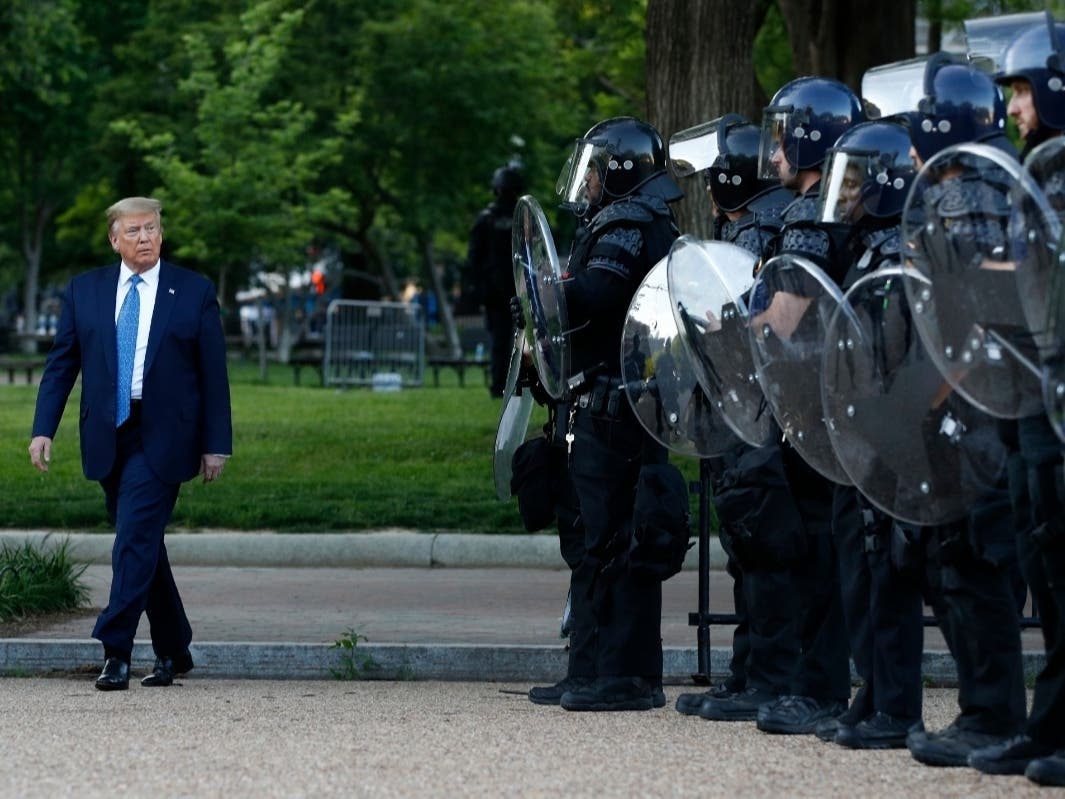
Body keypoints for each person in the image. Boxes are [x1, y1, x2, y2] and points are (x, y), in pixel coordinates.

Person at [866, 51, 1030, 768]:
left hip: (970, 405)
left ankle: (990, 717)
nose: (906, 144)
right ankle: (986, 714)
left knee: (968, 563)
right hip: (989, 402)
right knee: (964, 562)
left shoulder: (964, 189)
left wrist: (914, 408)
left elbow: (967, 312)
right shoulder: (995, 178)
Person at [28, 196, 233, 691]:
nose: (145, 238)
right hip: (107, 433)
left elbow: (213, 375)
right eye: (135, 231)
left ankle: (115, 648)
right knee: (143, 543)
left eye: (152, 229)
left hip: (166, 434)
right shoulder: (85, 290)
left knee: (134, 538)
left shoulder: (193, 291)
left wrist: (216, 444)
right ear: (114, 239)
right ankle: (174, 648)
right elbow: (62, 364)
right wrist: (43, 428)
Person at [525, 116, 685, 711]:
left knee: (616, 541)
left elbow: (596, 294)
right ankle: (590, 670)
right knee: (596, 540)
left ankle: (625, 677)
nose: (587, 180)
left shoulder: (629, 223)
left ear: (618, 170)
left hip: (620, 409)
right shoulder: (635, 220)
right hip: (610, 404)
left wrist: (544, 292)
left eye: (594, 169)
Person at [667, 114, 803, 722]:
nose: (705, 187)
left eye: (711, 176)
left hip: (758, 413)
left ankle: (767, 678)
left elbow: (744, 322)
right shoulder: (756, 224)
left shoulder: (757, 231)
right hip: (751, 409)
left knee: (761, 548)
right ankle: (750, 672)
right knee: (748, 549)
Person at [963, 16, 1065, 785]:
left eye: (1024, 90)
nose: (1014, 107)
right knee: (1044, 560)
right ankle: (1048, 725)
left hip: (1056, 388)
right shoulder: (1039, 173)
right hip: (1033, 389)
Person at [751, 76, 864, 737]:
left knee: (817, 550)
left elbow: (784, 318)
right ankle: (817, 682)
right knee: (829, 546)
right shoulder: (847, 206)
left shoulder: (808, 215)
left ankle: (818, 688)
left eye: (781, 139)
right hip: (838, 401)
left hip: (811, 405)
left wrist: (726, 329)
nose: (772, 156)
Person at [468, 165, 525, 397]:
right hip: (518, 289)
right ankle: (515, 384)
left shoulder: (486, 219)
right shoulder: (522, 217)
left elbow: (474, 259)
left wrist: (480, 290)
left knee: (500, 342)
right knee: (520, 341)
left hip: (496, 291)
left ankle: (499, 385)